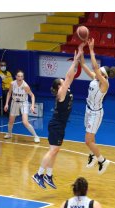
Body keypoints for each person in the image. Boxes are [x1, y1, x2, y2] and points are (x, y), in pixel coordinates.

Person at [32, 46, 83, 189]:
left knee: (55, 150)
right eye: (62, 82)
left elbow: (70, 77)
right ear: (59, 86)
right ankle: (38, 174)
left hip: (60, 125)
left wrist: (77, 61)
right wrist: (76, 60)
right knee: (52, 150)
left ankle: (48, 175)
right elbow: (69, 76)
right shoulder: (61, 93)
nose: (65, 82)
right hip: (56, 125)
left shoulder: (65, 90)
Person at [79, 39, 115, 174]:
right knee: (91, 139)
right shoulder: (96, 78)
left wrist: (91, 49)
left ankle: (102, 160)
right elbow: (84, 65)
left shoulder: (105, 84)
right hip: (88, 110)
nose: (97, 73)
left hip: (96, 113)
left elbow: (95, 67)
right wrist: (80, 52)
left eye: (100, 73)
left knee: (87, 141)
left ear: (104, 76)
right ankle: (93, 156)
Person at [3, 70, 40, 143]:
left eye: (21, 76)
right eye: (18, 76)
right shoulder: (12, 84)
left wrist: (32, 106)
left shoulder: (25, 86)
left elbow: (32, 96)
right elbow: (9, 93)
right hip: (14, 102)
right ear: (16, 77)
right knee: (11, 121)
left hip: (23, 103)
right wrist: (6, 103)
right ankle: (9, 134)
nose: (20, 78)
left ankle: (36, 136)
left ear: (23, 77)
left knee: (25, 122)